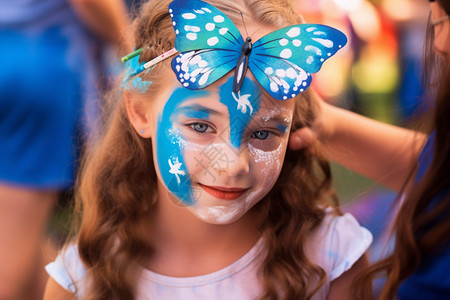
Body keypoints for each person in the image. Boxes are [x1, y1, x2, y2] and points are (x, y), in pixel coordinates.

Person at [42, 0, 373, 299]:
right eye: (200, 127)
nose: (233, 164)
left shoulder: (332, 256)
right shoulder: (82, 279)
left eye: (264, 133)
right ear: (141, 113)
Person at [289, 0, 450, 299]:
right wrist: (328, 122)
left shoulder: (339, 250)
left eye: (443, 21)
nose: (440, 43)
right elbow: (440, 167)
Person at [0, 0, 131, 299]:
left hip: (18, 60)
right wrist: (133, 50)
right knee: (10, 257)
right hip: (32, 59)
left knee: (20, 232)